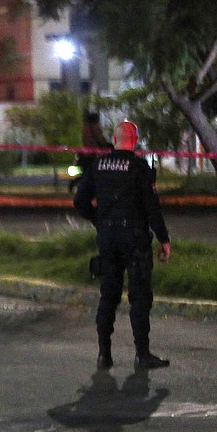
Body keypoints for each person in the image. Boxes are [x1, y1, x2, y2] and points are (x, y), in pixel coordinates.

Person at [73, 120, 172, 370]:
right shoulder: (140, 168)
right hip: (135, 240)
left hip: (108, 239)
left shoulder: (98, 165)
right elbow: (152, 208)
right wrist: (164, 239)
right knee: (139, 297)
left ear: (115, 140)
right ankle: (142, 354)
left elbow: (80, 201)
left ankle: (104, 354)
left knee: (109, 295)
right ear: (135, 141)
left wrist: (98, 220)